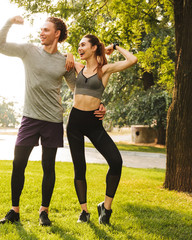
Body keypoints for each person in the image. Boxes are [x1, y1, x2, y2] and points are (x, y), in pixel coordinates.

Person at [0, 16, 106, 226]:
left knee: (49, 167)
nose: (41, 33)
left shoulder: (65, 61)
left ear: (57, 34)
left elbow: (79, 89)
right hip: (30, 117)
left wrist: (98, 104)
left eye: (46, 30)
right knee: (18, 164)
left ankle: (44, 211)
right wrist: (8, 22)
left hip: (53, 120)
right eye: (41, 30)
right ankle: (14, 210)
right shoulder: (29, 50)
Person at [66, 35, 137, 225]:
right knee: (79, 167)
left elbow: (132, 60)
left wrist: (114, 46)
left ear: (94, 47)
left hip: (93, 122)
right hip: (74, 122)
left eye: (83, 45)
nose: (80, 48)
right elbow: (63, 56)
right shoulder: (78, 68)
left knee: (116, 161)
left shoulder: (104, 70)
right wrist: (71, 53)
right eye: (79, 45)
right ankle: (84, 211)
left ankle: (105, 208)